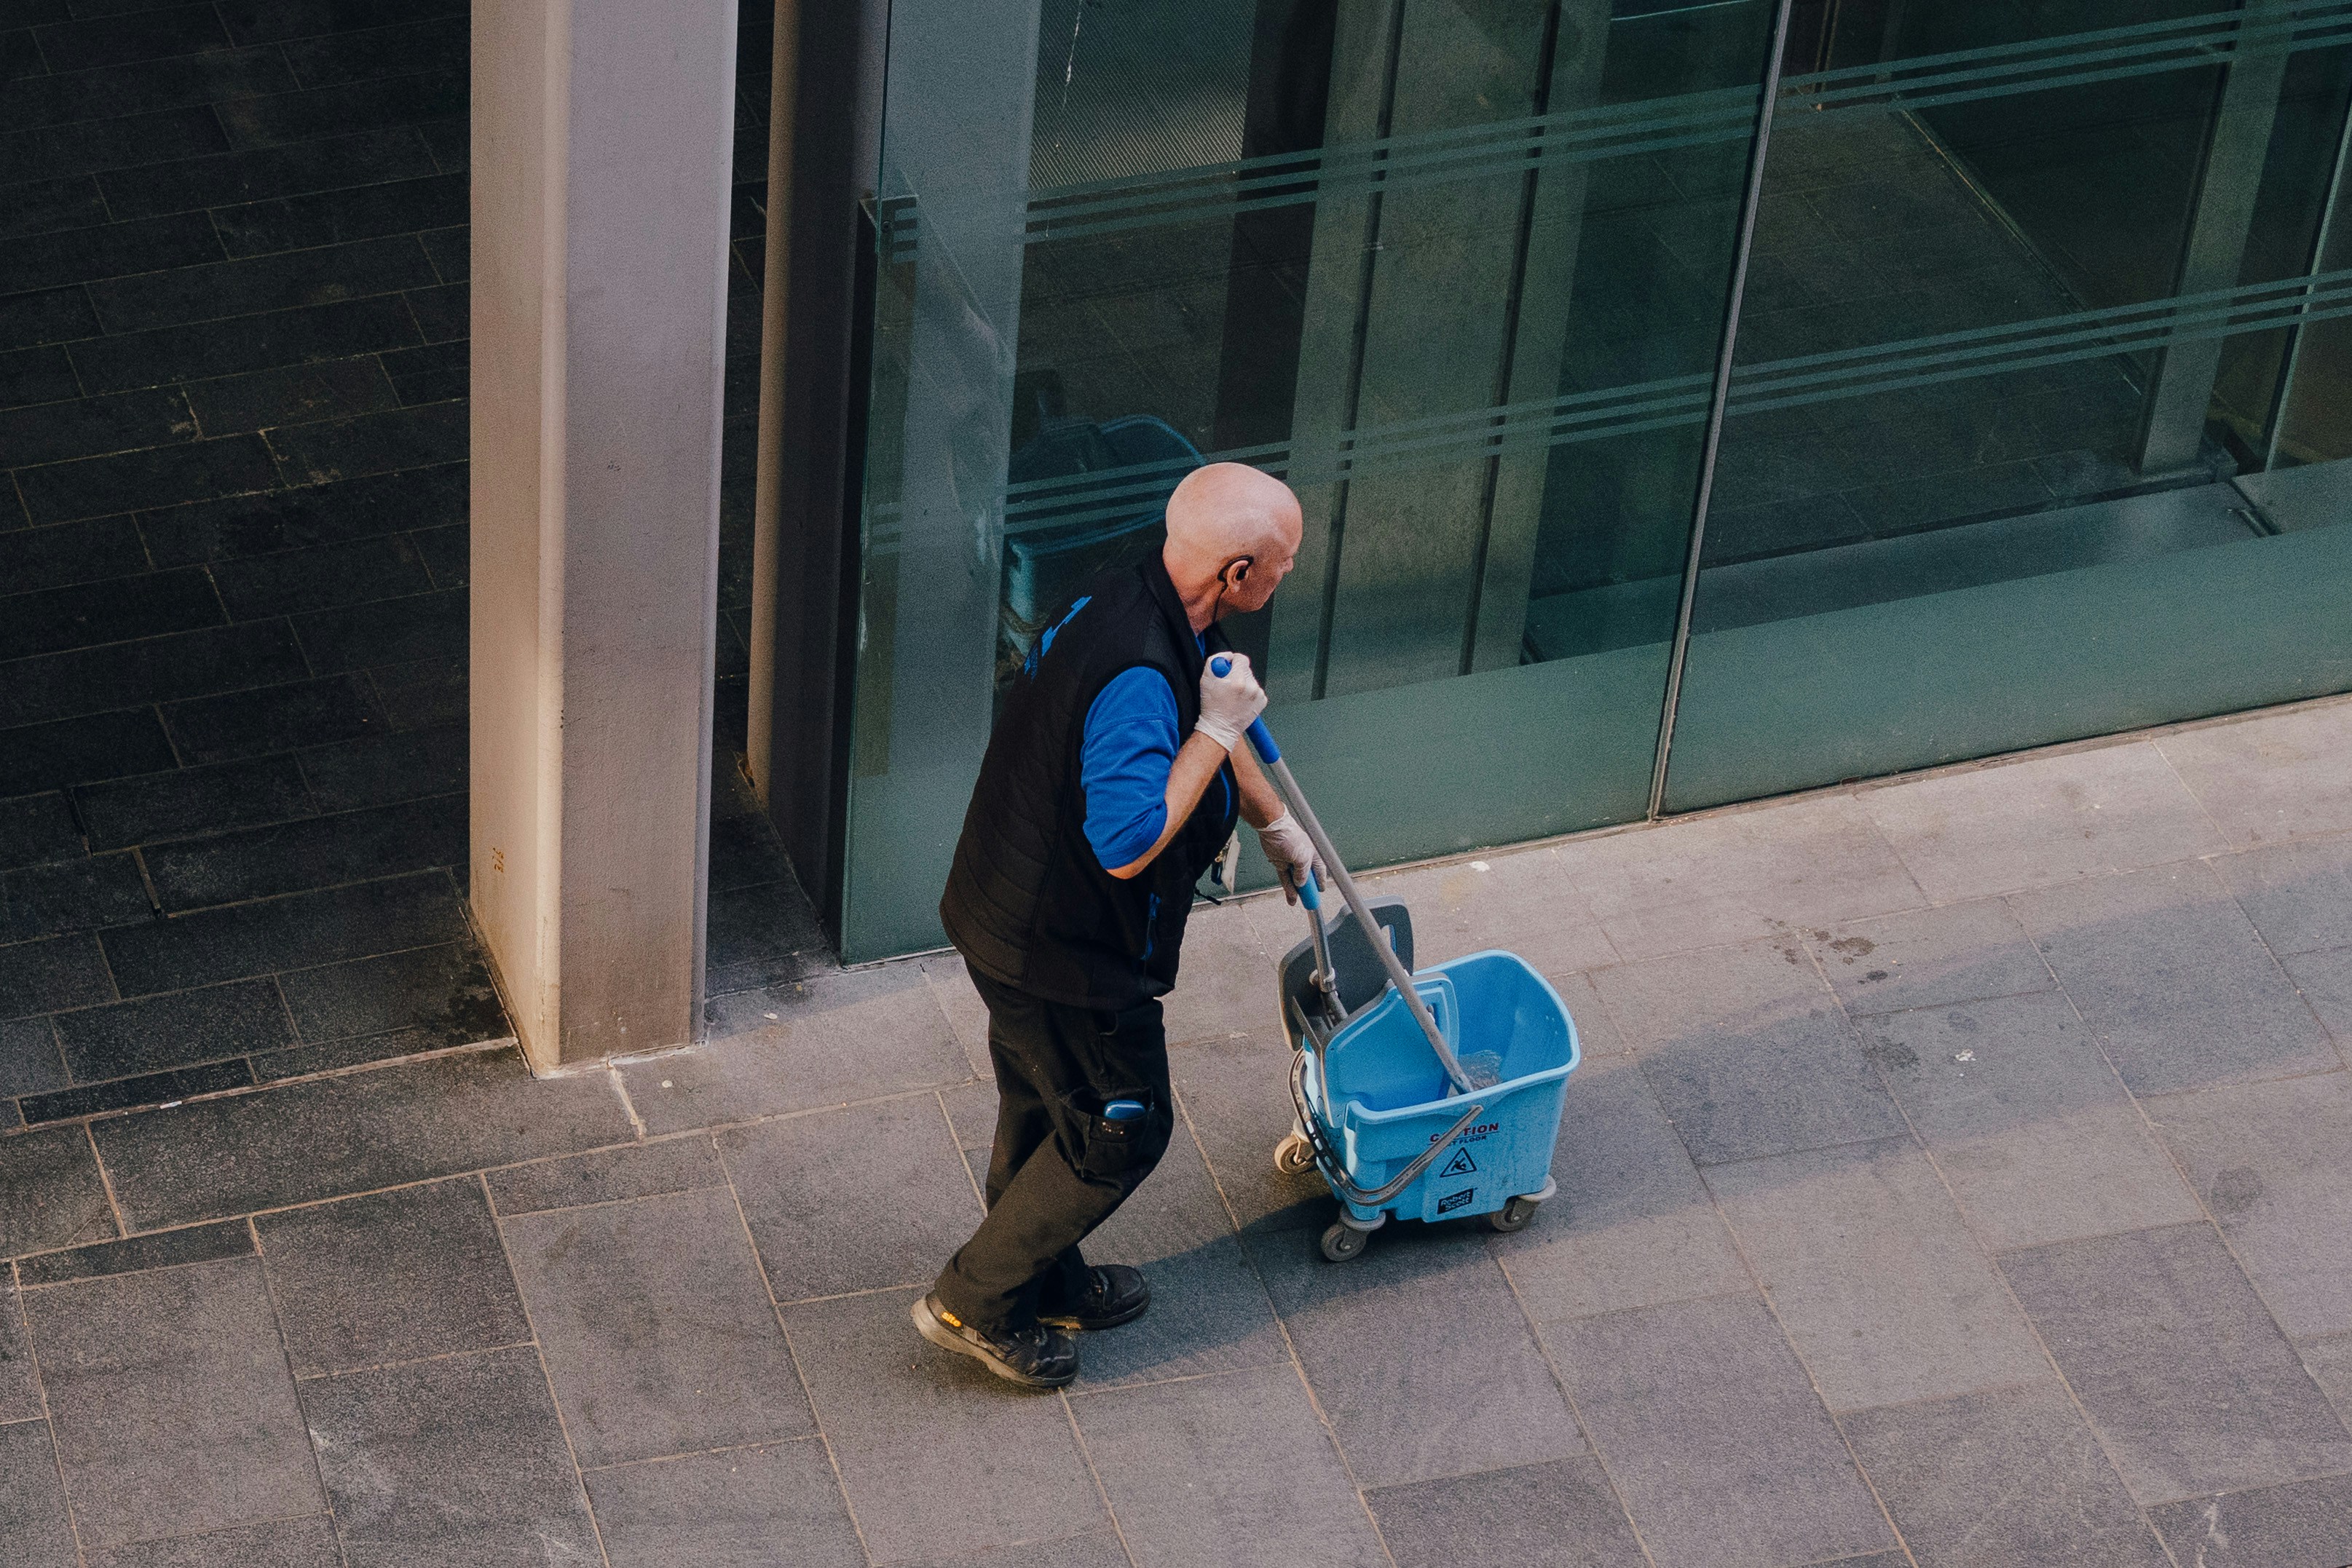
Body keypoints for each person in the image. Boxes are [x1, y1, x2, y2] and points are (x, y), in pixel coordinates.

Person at [915, 462, 1323, 1388]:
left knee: (1044, 1100)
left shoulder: (1130, 594)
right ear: (1233, 572)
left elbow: (1210, 709)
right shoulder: (1140, 670)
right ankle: (972, 1300)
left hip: (1005, 911)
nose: (1287, 575)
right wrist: (1216, 736)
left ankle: (1039, 1273)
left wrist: (1273, 822)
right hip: (1067, 954)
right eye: (1281, 562)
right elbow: (1127, 845)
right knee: (1116, 1128)